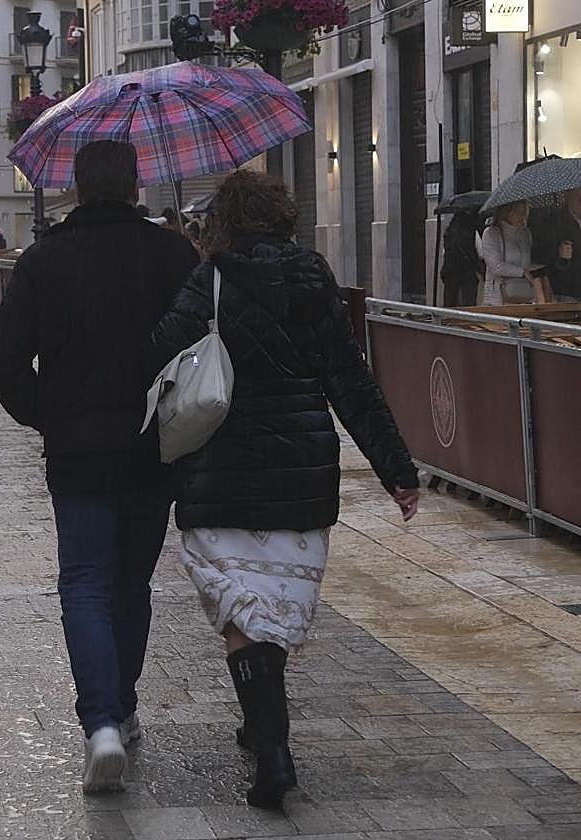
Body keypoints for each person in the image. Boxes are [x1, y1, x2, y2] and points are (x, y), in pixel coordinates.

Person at [151, 170, 420, 809]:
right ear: (281, 216)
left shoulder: (209, 279)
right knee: (272, 605)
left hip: (222, 474)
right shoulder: (313, 277)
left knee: (242, 609)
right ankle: (263, 728)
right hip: (302, 474)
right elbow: (350, 381)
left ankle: (272, 747)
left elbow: (160, 350)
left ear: (224, 221)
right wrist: (397, 471)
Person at [0, 140, 200, 794]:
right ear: (136, 185)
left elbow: (2, 360)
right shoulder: (172, 254)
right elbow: (202, 346)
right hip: (151, 448)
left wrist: (43, 414)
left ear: (76, 187)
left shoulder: (45, 260)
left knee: (83, 582)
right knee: (131, 584)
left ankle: (102, 724)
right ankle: (123, 706)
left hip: (76, 451)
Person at [481, 201, 544, 306]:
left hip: (523, 295)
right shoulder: (491, 233)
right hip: (497, 299)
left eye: (525, 212)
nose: (522, 216)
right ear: (506, 212)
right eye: (518, 212)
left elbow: (529, 261)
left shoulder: (526, 234)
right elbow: (496, 266)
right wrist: (522, 272)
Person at [441, 209, 484, 307]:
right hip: (468, 270)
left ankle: (448, 319)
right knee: (469, 301)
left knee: (450, 300)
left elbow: (444, 252)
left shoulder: (449, 231)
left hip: (450, 270)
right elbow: (481, 252)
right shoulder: (472, 229)